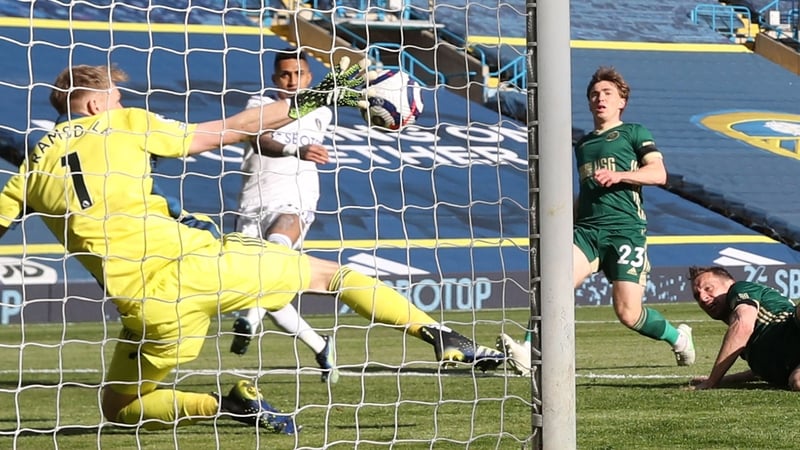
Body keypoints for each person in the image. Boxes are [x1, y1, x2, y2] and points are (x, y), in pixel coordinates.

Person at [0, 62, 504, 433]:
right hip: (202, 265)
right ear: (93, 105)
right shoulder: (124, 124)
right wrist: (318, 98)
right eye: (115, 97)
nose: (121, 104)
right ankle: (442, 337)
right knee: (330, 276)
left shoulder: (25, 176)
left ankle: (225, 406)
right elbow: (228, 131)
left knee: (119, 407)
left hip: (148, 311)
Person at [500, 66, 695, 374]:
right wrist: (564, 223)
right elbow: (585, 191)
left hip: (625, 232)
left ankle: (679, 338)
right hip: (587, 232)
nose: (599, 98)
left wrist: (620, 175)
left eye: (607, 93)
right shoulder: (584, 144)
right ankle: (528, 350)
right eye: (594, 94)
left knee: (628, 313)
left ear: (622, 101)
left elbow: (659, 174)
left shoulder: (634, 133)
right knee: (552, 283)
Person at [229, 48, 338, 384]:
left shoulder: (320, 111)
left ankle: (249, 320)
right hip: (253, 202)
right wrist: (298, 149)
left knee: (277, 249)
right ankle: (321, 346)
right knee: (266, 289)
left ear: (308, 77)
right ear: (275, 78)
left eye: (299, 74)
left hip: (297, 200)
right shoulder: (257, 105)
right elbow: (260, 140)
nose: (292, 80)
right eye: (285, 75)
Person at [688, 266, 800, 390]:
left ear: (729, 284)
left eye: (708, 289)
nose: (703, 298)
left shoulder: (740, 288)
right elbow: (762, 371)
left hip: (792, 325)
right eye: (697, 296)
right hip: (793, 363)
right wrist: (722, 379)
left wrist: (712, 381)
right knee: (797, 381)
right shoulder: (746, 347)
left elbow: (743, 325)